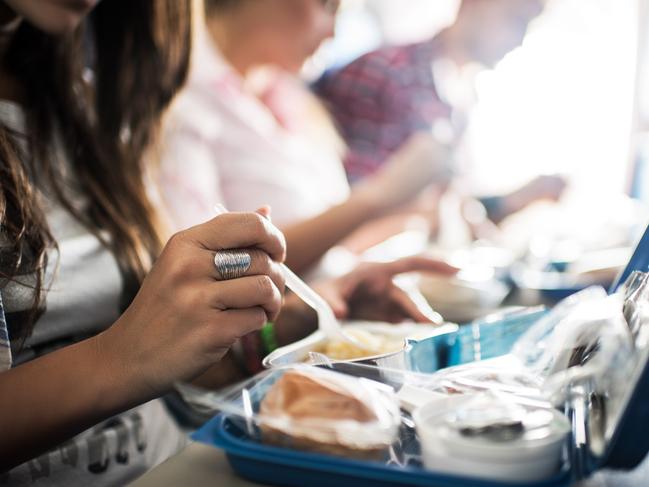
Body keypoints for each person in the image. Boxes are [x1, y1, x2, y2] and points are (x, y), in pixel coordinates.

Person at [0, 1, 454, 483]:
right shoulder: (183, 106)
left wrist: (291, 318)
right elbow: (133, 355)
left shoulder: (81, 107)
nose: (334, 25)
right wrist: (123, 354)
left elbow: (167, 363)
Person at [159, 0, 453, 276]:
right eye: (326, 4)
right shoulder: (182, 103)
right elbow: (207, 270)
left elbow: (329, 255)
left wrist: (411, 218)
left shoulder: (291, 98)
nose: (333, 32)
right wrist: (379, 195)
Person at [315, 0, 565, 229]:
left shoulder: (460, 103)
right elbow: (348, 210)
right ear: (473, 4)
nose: (519, 40)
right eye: (515, 19)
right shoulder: (389, 73)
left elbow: (446, 210)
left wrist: (513, 201)